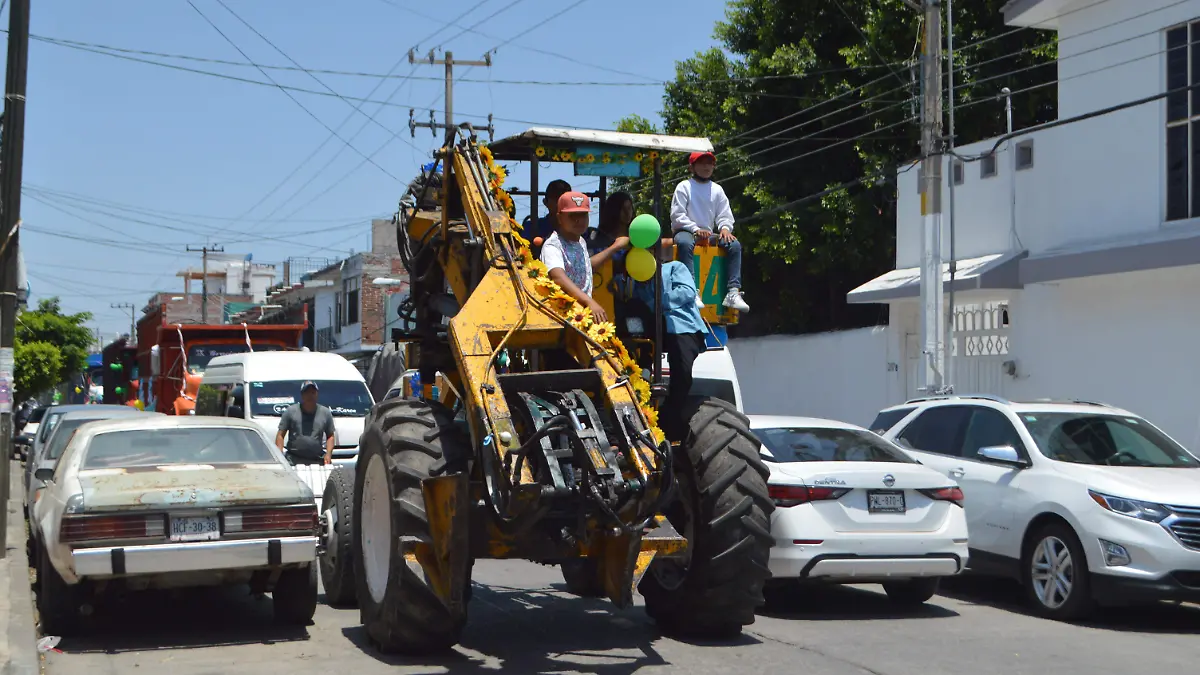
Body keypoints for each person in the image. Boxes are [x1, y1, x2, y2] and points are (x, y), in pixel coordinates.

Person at [634, 260, 708, 441]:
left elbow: (688, 292)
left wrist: (657, 301)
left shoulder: (674, 267)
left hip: (681, 327)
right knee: (638, 366)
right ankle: (641, 404)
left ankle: (670, 418)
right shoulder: (633, 275)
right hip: (651, 328)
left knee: (682, 375)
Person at [670, 151, 750, 313]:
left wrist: (725, 229)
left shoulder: (717, 189)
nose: (707, 166)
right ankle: (691, 290)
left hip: (708, 233)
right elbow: (677, 215)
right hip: (687, 230)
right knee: (684, 243)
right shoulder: (684, 186)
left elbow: (724, 214)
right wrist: (695, 229)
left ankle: (733, 292)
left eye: (710, 163)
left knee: (734, 244)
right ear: (691, 167)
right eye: (702, 163)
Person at [540, 191, 628, 323]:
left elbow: (586, 266)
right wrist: (589, 301)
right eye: (572, 216)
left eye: (583, 215)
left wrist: (614, 248)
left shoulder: (580, 241)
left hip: (580, 316)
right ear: (559, 218)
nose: (579, 220)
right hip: (561, 317)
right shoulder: (553, 245)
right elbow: (558, 277)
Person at [275, 381, 336, 466]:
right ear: (302, 395)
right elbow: (280, 435)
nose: (310, 396)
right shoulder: (290, 412)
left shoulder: (325, 413)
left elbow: (330, 436)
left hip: (317, 459)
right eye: (307, 392)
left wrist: (328, 454)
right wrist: (279, 455)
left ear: (317, 394)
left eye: (313, 392)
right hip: (293, 460)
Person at [585, 191, 635, 256]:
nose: (627, 213)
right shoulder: (597, 237)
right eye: (622, 208)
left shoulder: (636, 238)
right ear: (613, 210)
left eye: (629, 208)